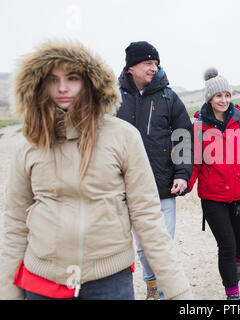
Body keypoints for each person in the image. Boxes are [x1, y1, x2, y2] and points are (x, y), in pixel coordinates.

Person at [0, 40, 193, 300]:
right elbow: (14, 224)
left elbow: (149, 220)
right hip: (43, 281)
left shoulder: (142, 120)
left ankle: (154, 287)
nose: (63, 87)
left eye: (72, 77)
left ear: (89, 81)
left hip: (108, 282)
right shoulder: (28, 143)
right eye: (52, 79)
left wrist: (182, 172)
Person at [115, 41, 193, 300]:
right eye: (148, 63)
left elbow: (183, 136)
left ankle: (161, 294)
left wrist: (182, 175)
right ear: (132, 66)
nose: (153, 68)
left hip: (163, 186)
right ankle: (151, 286)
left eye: (156, 64)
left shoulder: (168, 97)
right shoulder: (112, 97)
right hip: (126, 187)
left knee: (162, 246)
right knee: (141, 248)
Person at [187, 68, 240, 300]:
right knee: (226, 246)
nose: (223, 100)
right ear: (210, 99)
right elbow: (194, 163)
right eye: (218, 96)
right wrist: (186, 184)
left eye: (227, 95)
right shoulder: (198, 126)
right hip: (213, 198)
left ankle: (238, 263)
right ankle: (232, 294)